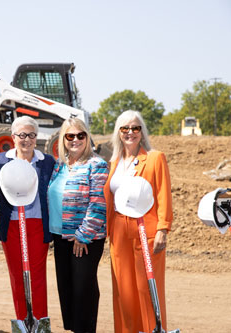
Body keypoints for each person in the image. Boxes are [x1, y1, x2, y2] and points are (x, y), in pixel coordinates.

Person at [104, 110, 173, 333]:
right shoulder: (114, 162)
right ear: (119, 133)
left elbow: (163, 194)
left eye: (135, 128)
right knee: (123, 291)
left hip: (147, 230)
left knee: (147, 289)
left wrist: (163, 228)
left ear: (142, 132)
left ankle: (153, 329)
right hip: (119, 231)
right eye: (125, 128)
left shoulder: (155, 158)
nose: (130, 133)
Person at [47, 118, 108, 333]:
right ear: (63, 139)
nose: (75, 140)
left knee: (84, 291)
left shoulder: (96, 164)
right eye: (69, 136)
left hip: (84, 239)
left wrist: (83, 235)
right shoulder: (60, 165)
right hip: (60, 236)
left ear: (87, 137)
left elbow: (99, 203)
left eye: (80, 135)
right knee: (67, 290)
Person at [0, 116, 55, 322]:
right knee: (17, 276)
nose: (26, 139)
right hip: (11, 225)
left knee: (37, 276)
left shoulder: (47, 162)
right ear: (13, 137)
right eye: (21, 135)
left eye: (31, 135)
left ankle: (40, 321)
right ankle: (22, 321)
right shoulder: (0, 161)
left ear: (36, 138)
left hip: (37, 224)